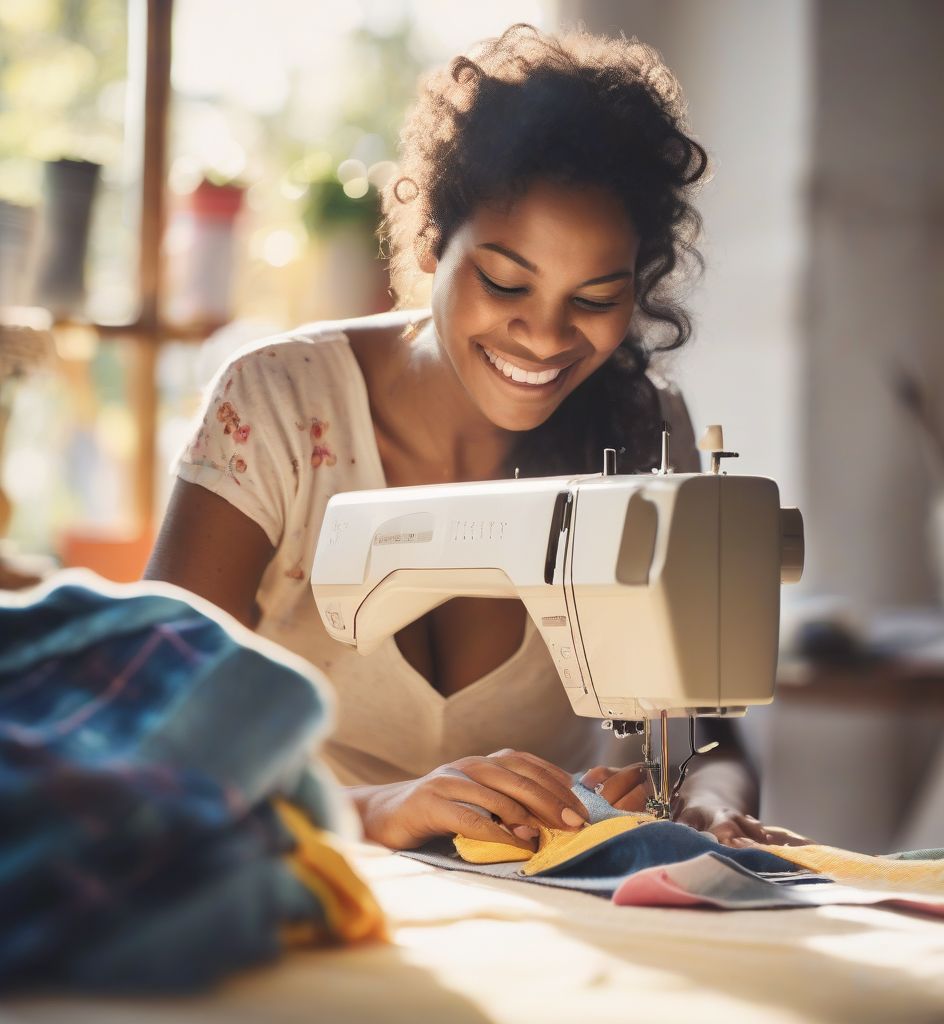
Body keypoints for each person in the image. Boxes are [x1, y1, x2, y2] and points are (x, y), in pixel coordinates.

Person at [146, 24, 783, 854]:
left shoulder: (641, 433)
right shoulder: (279, 404)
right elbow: (150, 725)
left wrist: (704, 798)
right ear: (433, 242)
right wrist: (377, 809)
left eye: (595, 298)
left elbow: (712, 741)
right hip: (296, 883)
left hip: (537, 919)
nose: (546, 336)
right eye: (506, 281)